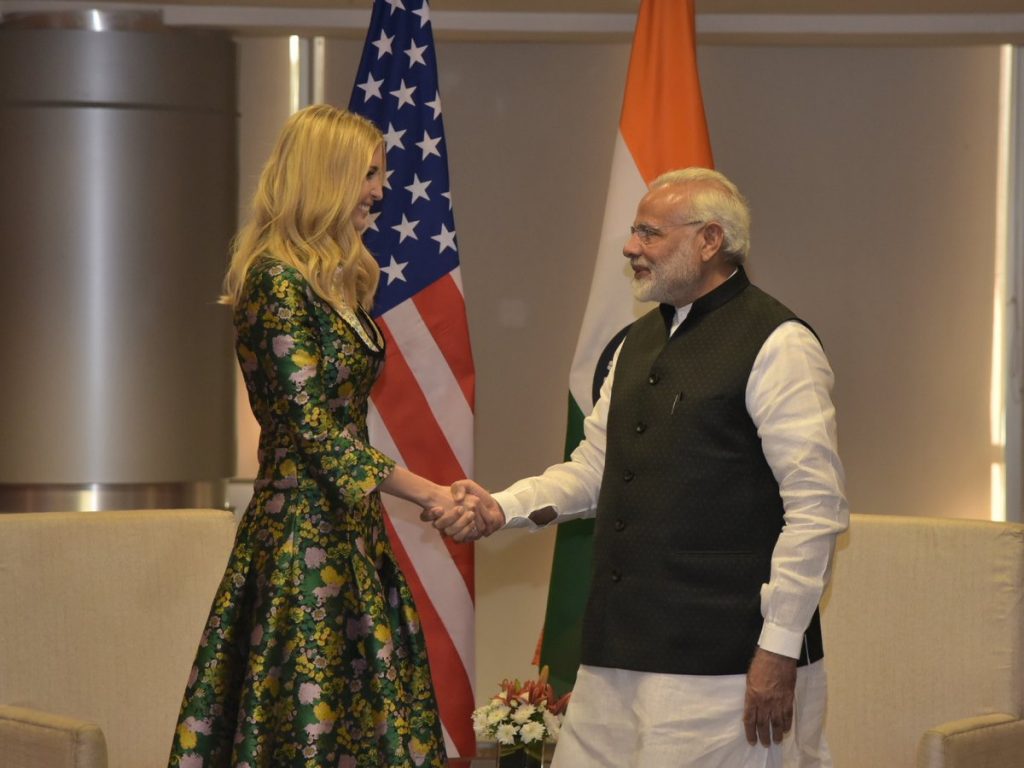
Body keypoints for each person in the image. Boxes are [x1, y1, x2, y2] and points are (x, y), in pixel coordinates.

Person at [432, 167, 849, 767]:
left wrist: (778, 649)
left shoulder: (779, 343)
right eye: (633, 232)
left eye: (650, 233)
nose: (631, 248)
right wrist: (504, 507)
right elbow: (594, 470)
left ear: (709, 241)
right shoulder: (633, 343)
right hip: (615, 653)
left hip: (724, 662)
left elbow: (817, 508)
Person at [168, 105, 458, 768]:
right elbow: (311, 427)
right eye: (368, 174)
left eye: (381, 174)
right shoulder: (275, 279)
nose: (381, 190)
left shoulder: (337, 283)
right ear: (324, 178)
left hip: (348, 529)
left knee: (368, 717)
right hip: (300, 542)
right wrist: (427, 492)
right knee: (307, 722)